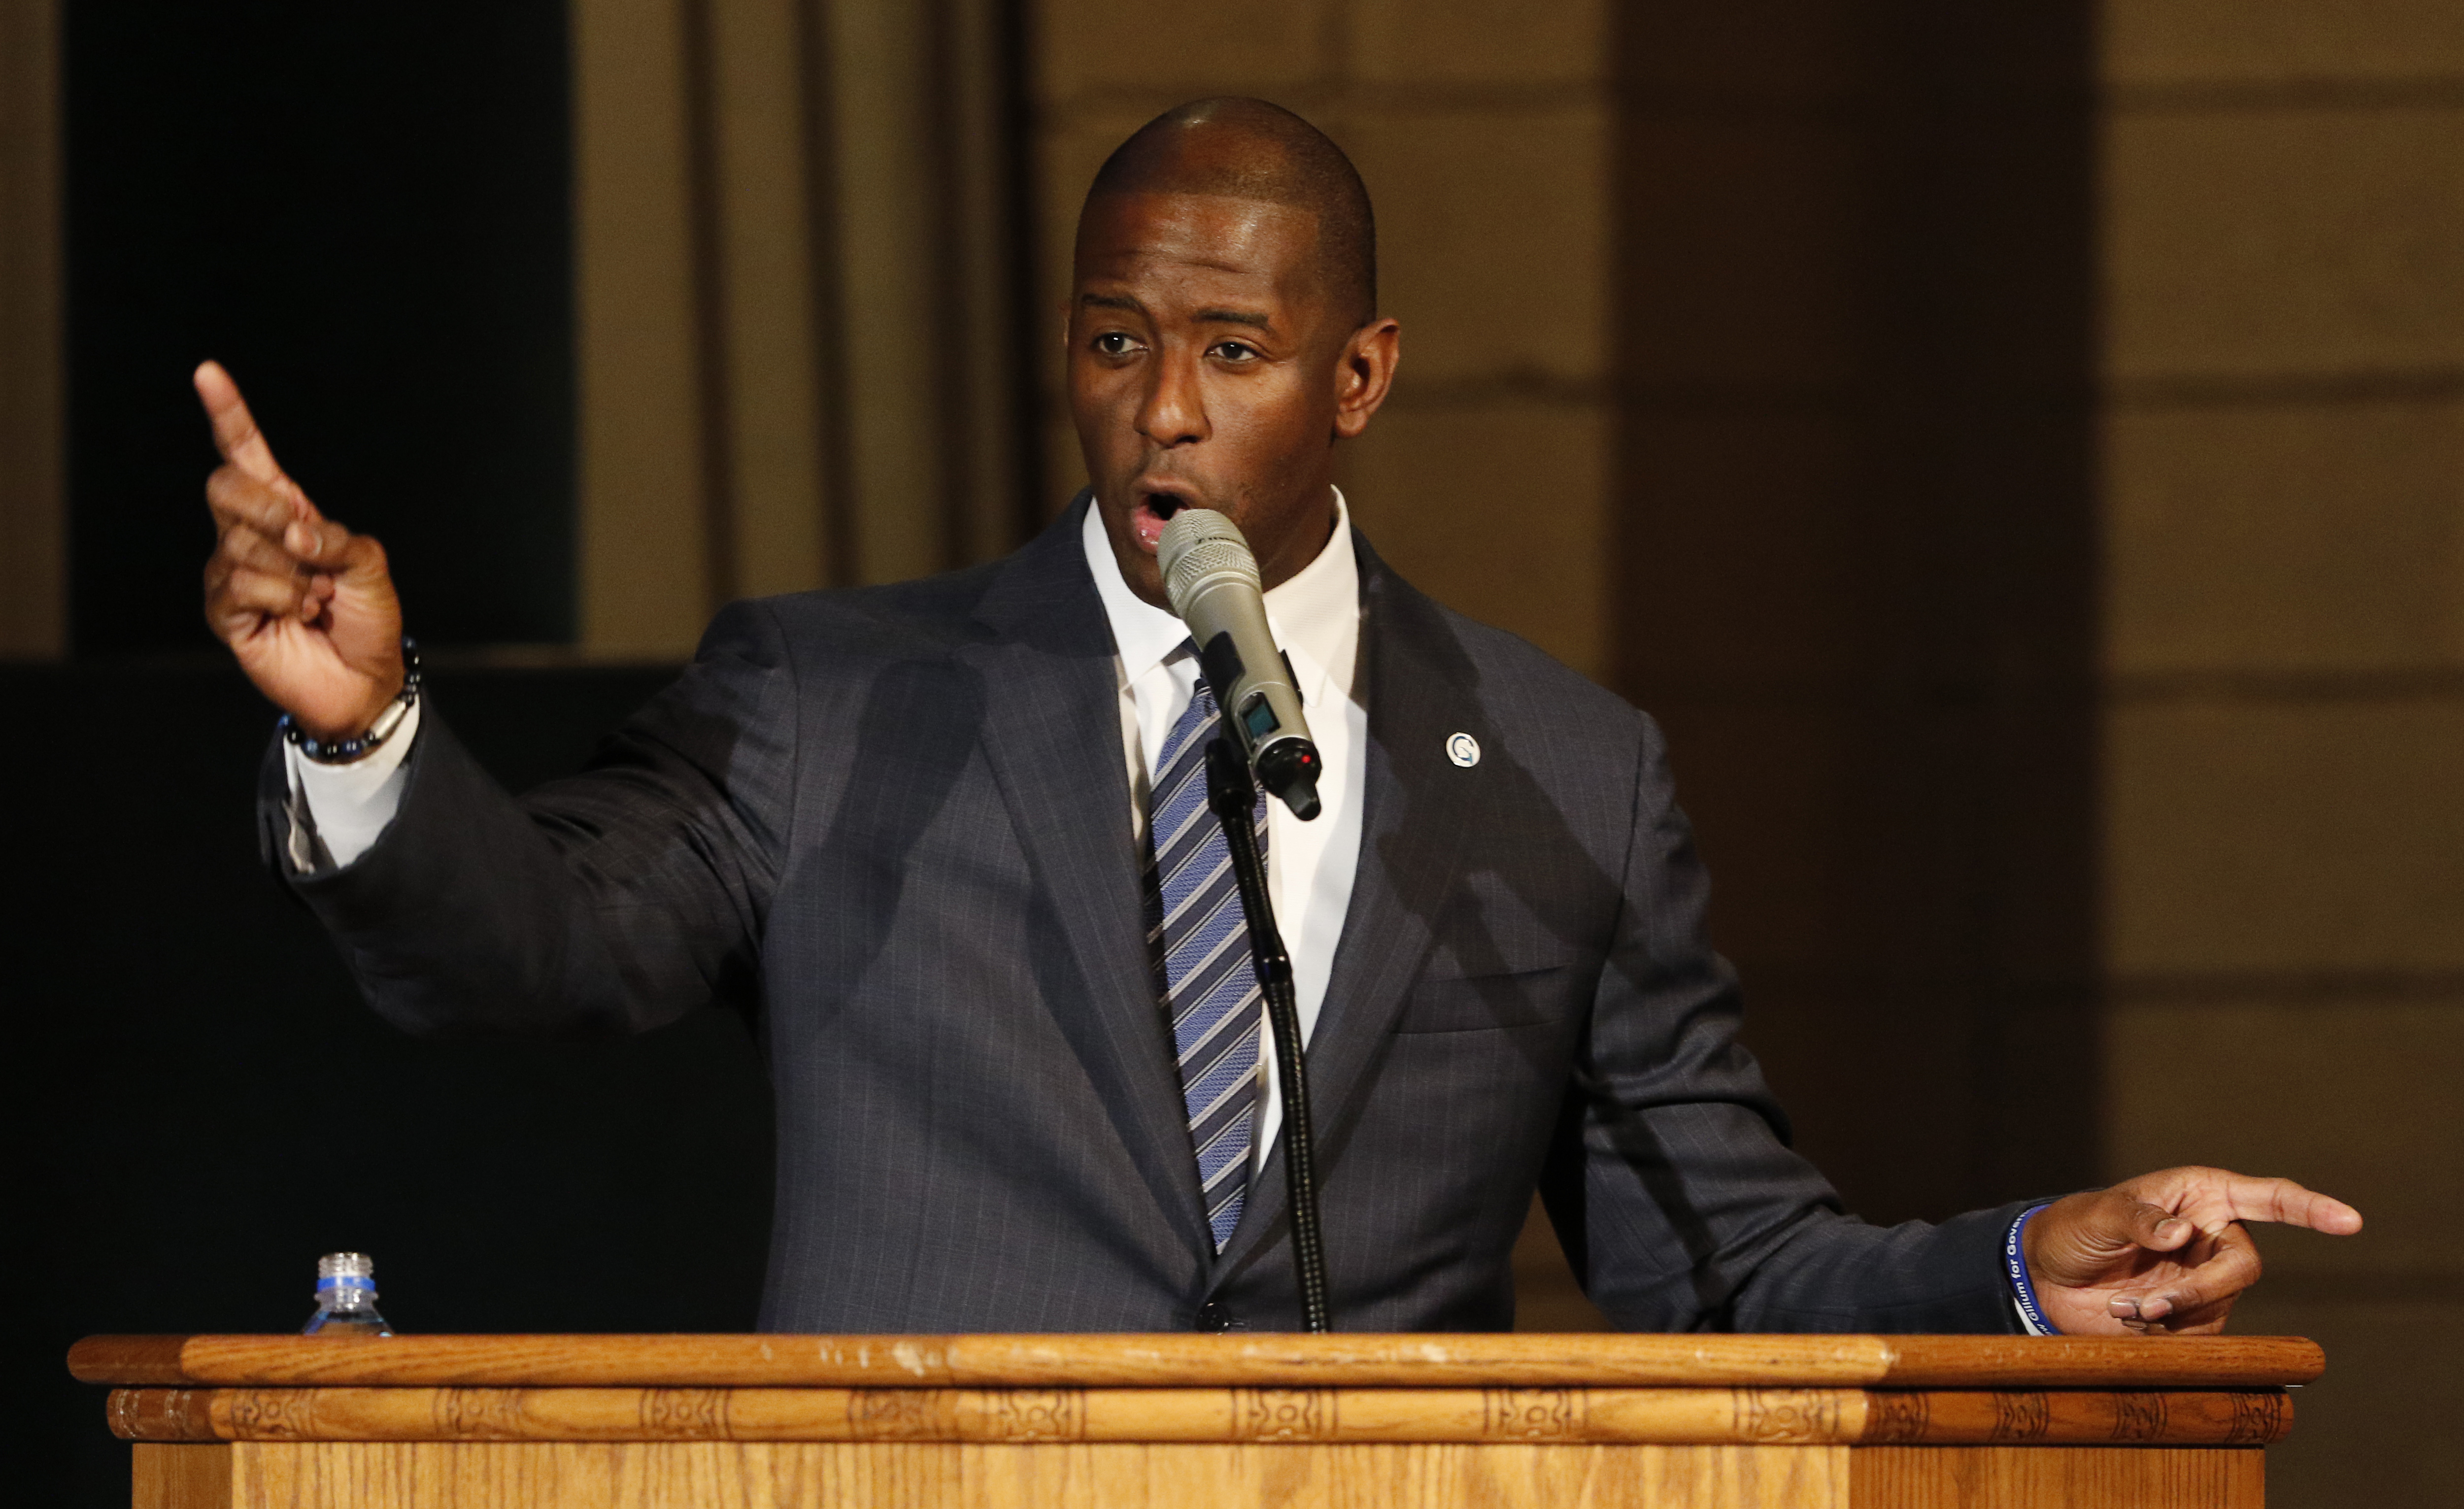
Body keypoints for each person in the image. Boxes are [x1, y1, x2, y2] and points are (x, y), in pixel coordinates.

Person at [196, 97, 2358, 1335]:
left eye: (1230, 348)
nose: (1159, 406)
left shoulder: (1565, 771)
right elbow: (546, 946)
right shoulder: (839, 703)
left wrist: (2013, 1265)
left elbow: (1721, 1254)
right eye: (1115, 337)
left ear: (1361, 375)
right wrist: (371, 733)